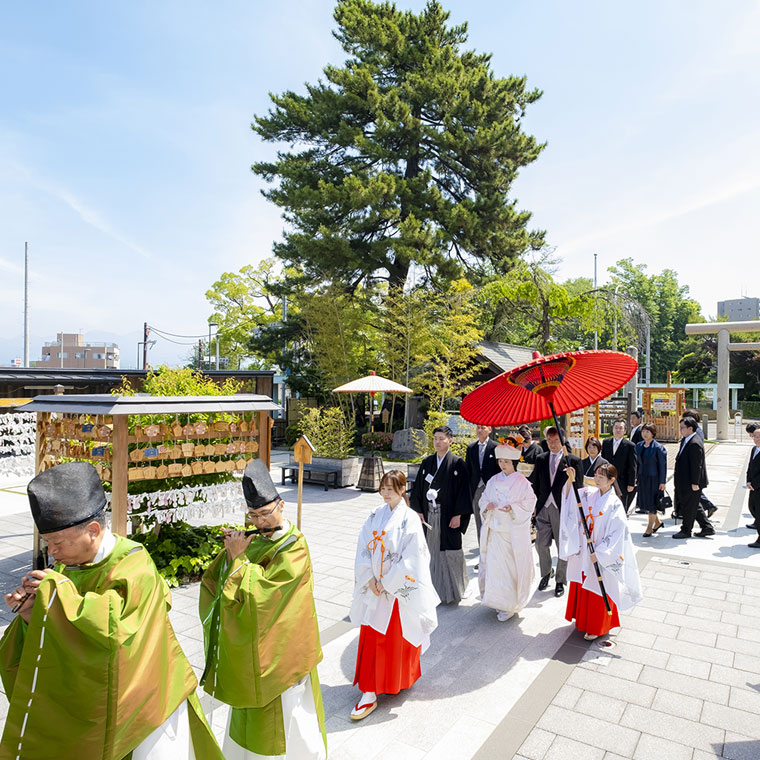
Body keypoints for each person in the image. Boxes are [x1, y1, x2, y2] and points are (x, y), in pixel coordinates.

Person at [0, 461, 223, 760]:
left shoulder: (134, 563)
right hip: (100, 699)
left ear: (92, 530)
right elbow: (69, 629)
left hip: (147, 701)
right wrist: (32, 614)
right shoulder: (68, 567)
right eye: (48, 543)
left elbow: (116, 630)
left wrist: (58, 596)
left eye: (57, 542)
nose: (52, 552)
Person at [199, 459, 327, 760]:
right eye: (253, 516)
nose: (259, 523)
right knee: (246, 716)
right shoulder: (255, 540)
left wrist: (239, 561)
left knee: (286, 723)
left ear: (281, 506)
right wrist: (232, 555)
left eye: (265, 514)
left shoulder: (294, 547)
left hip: (282, 656)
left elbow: (264, 598)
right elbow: (218, 584)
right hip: (251, 653)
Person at [349, 470, 439, 719]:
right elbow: (363, 548)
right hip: (376, 588)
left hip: (396, 591)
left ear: (402, 489)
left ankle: (397, 679)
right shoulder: (374, 516)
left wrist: (388, 582)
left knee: (394, 637)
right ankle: (370, 689)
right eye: (383, 488)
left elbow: (415, 558)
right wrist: (369, 578)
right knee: (374, 636)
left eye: (391, 488)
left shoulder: (410, 519)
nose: (386, 493)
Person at [559, 463, 643, 640]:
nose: (597, 479)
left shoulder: (615, 504)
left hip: (600, 553)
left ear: (612, 480)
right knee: (584, 582)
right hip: (585, 549)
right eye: (596, 475)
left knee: (598, 586)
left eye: (601, 477)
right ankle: (582, 620)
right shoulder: (590, 494)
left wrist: (601, 553)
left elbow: (617, 533)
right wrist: (570, 480)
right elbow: (571, 498)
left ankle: (597, 626)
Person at [410, 426, 472, 604]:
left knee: (450, 551)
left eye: (442, 438)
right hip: (429, 515)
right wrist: (418, 511)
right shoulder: (427, 462)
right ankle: (431, 588)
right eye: (435, 438)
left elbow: (463, 493)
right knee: (429, 550)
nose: (437, 442)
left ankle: (454, 589)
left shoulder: (457, 464)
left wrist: (458, 515)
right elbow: (418, 489)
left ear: (450, 441)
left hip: (448, 515)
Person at [478, 443, 537, 621]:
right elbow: (483, 499)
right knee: (495, 568)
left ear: (513, 462)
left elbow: (530, 502)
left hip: (511, 532)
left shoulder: (522, 482)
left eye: (506, 462)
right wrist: (486, 507)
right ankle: (495, 600)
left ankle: (509, 605)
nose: (503, 465)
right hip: (495, 530)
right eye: (500, 461)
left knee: (509, 569)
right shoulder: (493, 480)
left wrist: (513, 508)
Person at [530, 426, 582, 598]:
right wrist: (535, 505)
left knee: (562, 546)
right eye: (550, 441)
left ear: (563, 441)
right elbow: (536, 483)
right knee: (540, 544)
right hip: (544, 505)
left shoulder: (572, 460)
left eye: (556, 441)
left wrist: (572, 478)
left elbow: (579, 488)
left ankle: (560, 579)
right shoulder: (541, 458)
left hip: (563, 507)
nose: (552, 444)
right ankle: (546, 573)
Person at [672, 417, 715, 540]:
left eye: (682, 428)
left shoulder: (695, 443)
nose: (680, 430)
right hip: (684, 480)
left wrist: (695, 482)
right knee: (694, 505)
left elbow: (697, 465)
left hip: (691, 482)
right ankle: (707, 527)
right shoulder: (686, 439)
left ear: (690, 428)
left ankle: (686, 530)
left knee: (688, 506)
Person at [465, 424, 499, 541]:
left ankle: (493, 549)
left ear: (490, 430)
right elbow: (468, 471)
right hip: (476, 489)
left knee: (493, 519)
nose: (480, 430)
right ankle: (482, 549)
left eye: (483, 428)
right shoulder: (471, 448)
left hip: (491, 489)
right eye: (478, 428)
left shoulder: (495, 447)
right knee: (479, 521)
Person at [636, 423, 667, 537]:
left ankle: (649, 528)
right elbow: (637, 464)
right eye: (643, 431)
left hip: (654, 479)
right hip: (642, 477)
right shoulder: (639, 445)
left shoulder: (658, 448)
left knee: (652, 504)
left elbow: (662, 465)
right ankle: (657, 523)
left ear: (653, 434)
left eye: (647, 432)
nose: (645, 434)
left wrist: (662, 482)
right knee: (647, 503)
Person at [601, 419, 638, 513]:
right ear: (612, 429)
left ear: (625, 431)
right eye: (616, 427)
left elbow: (632, 466)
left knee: (621, 506)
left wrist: (631, 483)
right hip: (608, 480)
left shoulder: (630, 446)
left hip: (622, 481)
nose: (618, 430)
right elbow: (603, 461)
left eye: (620, 428)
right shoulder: (606, 443)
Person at [746, 427, 760, 547]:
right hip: (753, 486)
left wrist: (754, 484)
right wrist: (748, 481)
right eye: (754, 436)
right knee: (752, 507)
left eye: (757, 437)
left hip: (758, 486)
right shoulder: (754, 449)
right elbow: (750, 467)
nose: (754, 439)